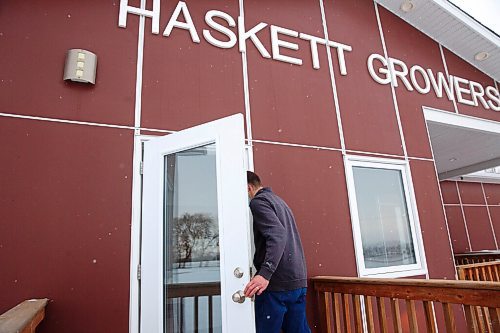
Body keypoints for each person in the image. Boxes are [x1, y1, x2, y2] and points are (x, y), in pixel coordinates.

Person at [244, 171, 311, 333]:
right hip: (296, 281)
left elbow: (278, 235)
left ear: (248, 188)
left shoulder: (258, 202)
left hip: (276, 285)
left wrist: (265, 273)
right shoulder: (279, 202)